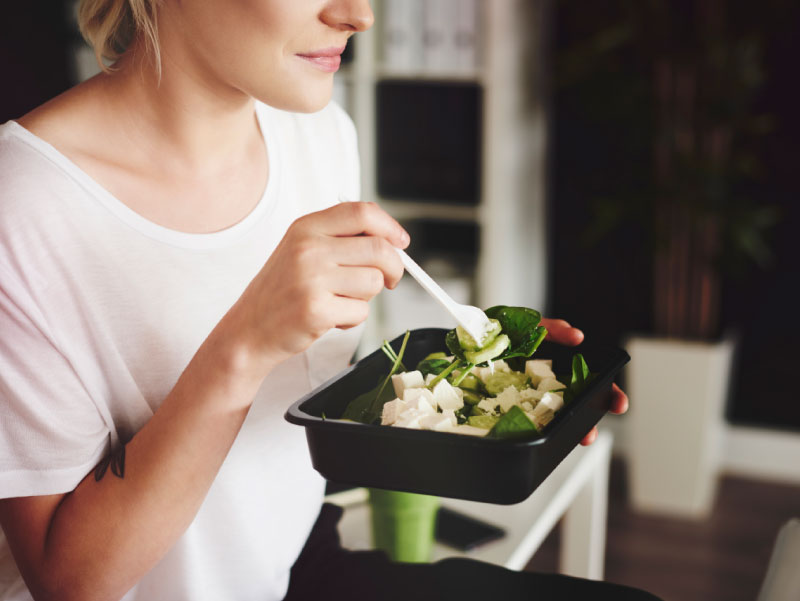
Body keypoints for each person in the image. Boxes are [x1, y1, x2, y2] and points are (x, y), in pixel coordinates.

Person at [0, 1, 651, 600]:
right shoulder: (23, 209)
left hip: (296, 565)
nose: (359, 15)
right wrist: (242, 345)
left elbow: (305, 418)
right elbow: (70, 582)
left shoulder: (320, 135)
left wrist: (495, 394)